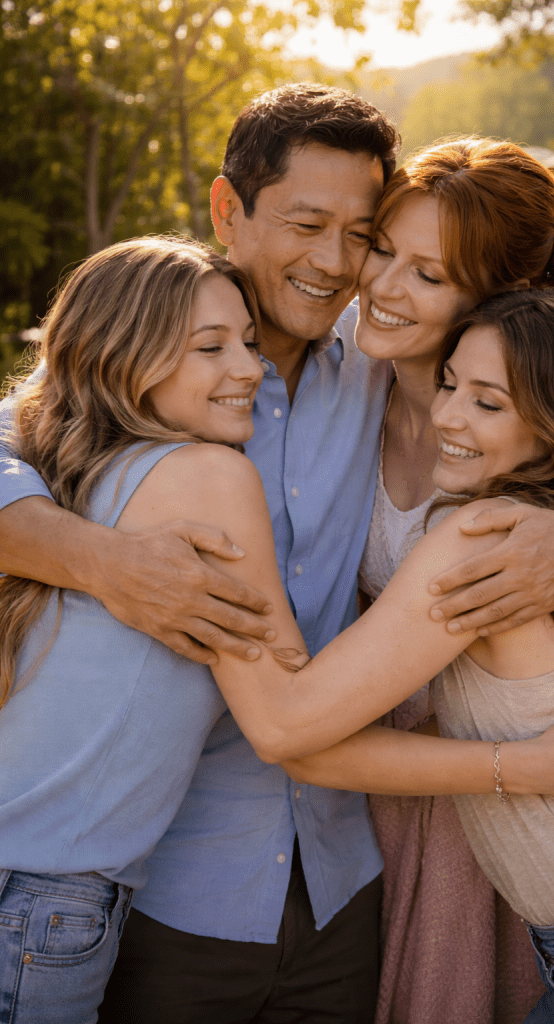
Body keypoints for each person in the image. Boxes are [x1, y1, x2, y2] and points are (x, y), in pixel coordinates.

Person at [0, 85, 554, 1020]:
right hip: (177, 868)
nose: (347, 270)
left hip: (365, 862)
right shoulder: (176, 366)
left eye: (360, 236)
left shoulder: (410, 373)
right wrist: (96, 559)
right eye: (315, 227)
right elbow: (22, 431)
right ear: (226, 211)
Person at [197, 286, 554, 1023]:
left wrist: (209, 534)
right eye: (450, 384)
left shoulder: (487, 540)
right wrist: (526, 765)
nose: (446, 415)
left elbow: (287, 729)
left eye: (488, 404)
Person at [354, 135, 554, 1024]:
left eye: (428, 275)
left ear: (494, 301)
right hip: (380, 785)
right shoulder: (348, 380)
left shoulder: (547, 410)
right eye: (382, 250)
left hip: (536, 800)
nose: (383, 286)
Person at [0, 236, 265, 1021]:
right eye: (211, 347)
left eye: (248, 342)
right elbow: (288, 711)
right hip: (42, 898)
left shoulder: (55, 468)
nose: (250, 367)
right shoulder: (203, 475)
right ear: (124, 357)